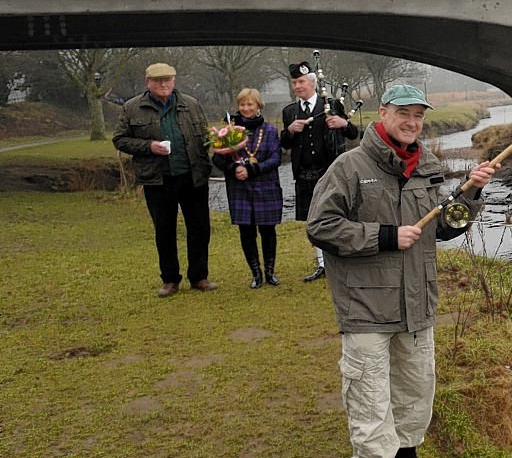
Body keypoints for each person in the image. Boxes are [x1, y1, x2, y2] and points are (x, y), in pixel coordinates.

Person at [306, 84, 496, 458]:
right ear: (383, 113)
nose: (412, 122)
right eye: (404, 113)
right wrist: (385, 236)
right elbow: (321, 227)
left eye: (418, 116)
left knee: (414, 394)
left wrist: (471, 194)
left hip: (417, 305)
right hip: (366, 309)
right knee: (370, 402)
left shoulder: (427, 166)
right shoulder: (349, 167)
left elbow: (445, 227)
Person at [112, 62, 220, 297]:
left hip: (193, 177)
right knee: (164, 230)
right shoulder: (132, 108)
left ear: (174, 80)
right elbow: (119, 139)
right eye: (158, 80)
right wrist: (148, 146)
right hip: (158, 180)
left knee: (200, 228)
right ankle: (170, 280)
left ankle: (199, 276)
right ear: (147, 83)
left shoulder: (191, 104)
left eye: (167, 79)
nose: (163, 84)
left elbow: (204, 137)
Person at [281, 55, 358, 282]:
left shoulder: (332, 105)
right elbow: (283, 143)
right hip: (305, 174)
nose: (297, 86)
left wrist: (343, 123)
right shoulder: (290, 112)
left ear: (313, 82)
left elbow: (353, 133)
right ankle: (322, 264)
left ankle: (341, 258)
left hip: (331, 171)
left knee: (339, 214)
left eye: (301, 82)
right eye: (294, 83)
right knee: (313, 219)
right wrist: (291, 131)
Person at [214, 88, 284, 288]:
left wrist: (252, 170)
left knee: (268, 230)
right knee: (246, 231)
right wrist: (234, 167)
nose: (245, 108)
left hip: (266, 185)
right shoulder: (229, 130)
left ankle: (270, 273)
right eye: (242, 105)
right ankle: (256, 274)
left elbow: (275, 159)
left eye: (250, 104)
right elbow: (217, 158)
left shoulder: (270, 130)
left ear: (258, 106)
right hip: (240, 188)